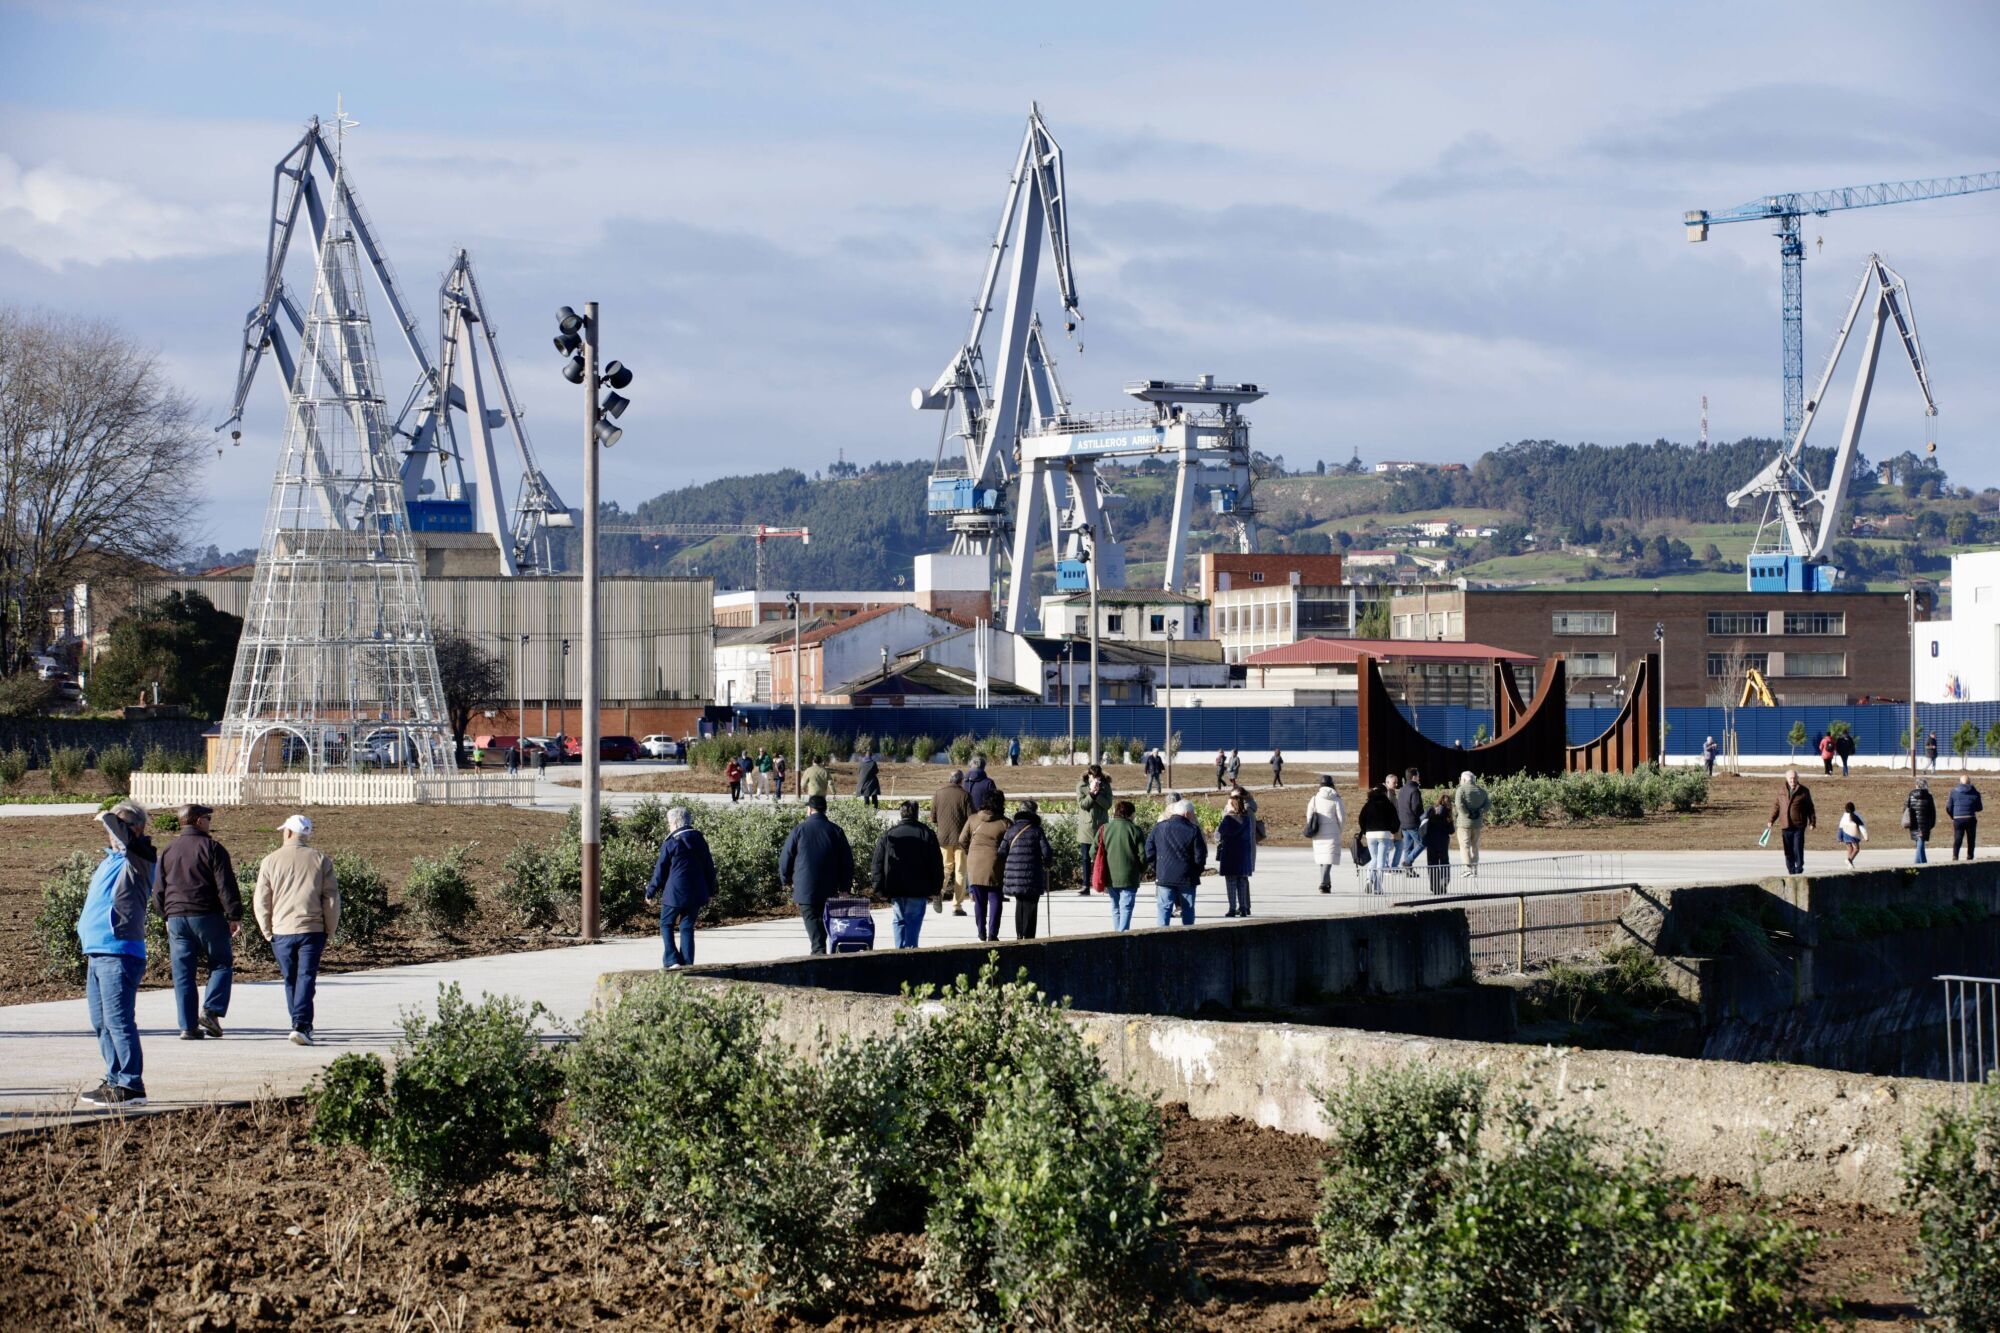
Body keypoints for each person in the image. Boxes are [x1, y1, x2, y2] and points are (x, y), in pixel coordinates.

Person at [77, 800, 158, 1108]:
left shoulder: (141, 859)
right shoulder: (110, 860)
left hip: (120, 952)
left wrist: (109, 817)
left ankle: (131, 1085)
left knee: (119, 1021)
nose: (110, 832)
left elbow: (125, 838)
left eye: (118, 826)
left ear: (135, 829)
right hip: (97, 952)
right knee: (101, 1022)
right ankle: (115, 1081)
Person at [157, 802, 241, 1041]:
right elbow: (226, 885)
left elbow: (158, 889)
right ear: (197, 821)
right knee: (222, 964)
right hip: (206, 916)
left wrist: (165, 915)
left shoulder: (168, 850)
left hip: (176, 918)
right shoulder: (212, 848)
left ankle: (187, 1026)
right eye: (208, 818)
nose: (209, 822)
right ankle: (211, 1011)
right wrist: (234, 915)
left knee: (183, 973)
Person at [255, 814, 339, 1047]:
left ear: (289, 832)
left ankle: (299, 1023)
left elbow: (262, 899)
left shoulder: (270, 860)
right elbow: (331, 898)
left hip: (281, 930)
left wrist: (266, 929)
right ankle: (301, 1024)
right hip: (312, 929)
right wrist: (330, 928)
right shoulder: (321, 860)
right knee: (306, 977)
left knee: (291, 978)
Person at [778, 794, 852, 954]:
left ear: (809, 809)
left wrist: (786, 879)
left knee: (812, 919)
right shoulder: (836, 830)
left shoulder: (799, 830)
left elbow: (786, 857)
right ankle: (819, 951)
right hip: (830, 887)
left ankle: (818, 953)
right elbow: (846, 861)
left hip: (805, 887)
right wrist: (845, 887)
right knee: (825, 920)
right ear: (825, 810)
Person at [644, 806, 715, 968]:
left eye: (669, 823)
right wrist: (711, 890)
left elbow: (660, 871)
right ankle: (687, 962)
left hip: (674, 893)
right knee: (687, 926)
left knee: (666, 923)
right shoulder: (700, 840)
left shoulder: (671, 842)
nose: (669, 826)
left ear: (675, 823)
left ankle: (672, 959)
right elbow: (709, 867)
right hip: (697, 892)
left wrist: (651, 891)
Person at [873, 801, 943, 948]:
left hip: (895, 886)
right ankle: (911, 952)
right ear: (916, 814)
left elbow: (877, 862)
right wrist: (936, 888)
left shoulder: (889, 834)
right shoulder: (927, 834)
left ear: (901, 813)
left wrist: (878, 888)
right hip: (918, 887)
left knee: (899, 919)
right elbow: (936, 863)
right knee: (913, 920)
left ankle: (900, 951)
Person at [1146, 799, 1208, 926]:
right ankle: (1188, 937)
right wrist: (1196, 871)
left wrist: (1156, 867)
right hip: (1187, 877)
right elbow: (1200, 856)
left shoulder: (1159, 827)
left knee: (1164, 909)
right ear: (1186, 814)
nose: (1193, 816)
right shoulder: (1193, 830)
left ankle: (1161, 937)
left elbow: (1149, 849)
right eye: (1192, 813)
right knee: (1188, 909)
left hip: (1164, 874)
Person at [960, 791, 1011, 942]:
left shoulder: (973, 819)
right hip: (995, 863)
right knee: (995, 899)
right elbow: (1010, 844)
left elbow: (962, 839)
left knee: (979, 901)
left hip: (974, 863)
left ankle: (981, 931)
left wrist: (970, 852)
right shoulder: (1004, 823)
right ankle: (993, 934)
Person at [1000, 799, 1054, 940]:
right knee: (1031, 905)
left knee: (1020, 904)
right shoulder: (1037, 830)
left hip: (1015, 875)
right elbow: (1047, 852)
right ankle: (1029, 936)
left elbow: (1001, 852)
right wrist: (1048, 863)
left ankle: (1019, 934)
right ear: (1034, 813)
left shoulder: (1011, 830)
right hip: (1032, 874)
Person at [1094, 799, 1146, 931]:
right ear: (1130, 814)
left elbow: (1092, 852)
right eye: (1134, 813)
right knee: (1126, 908)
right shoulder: (1135, 830)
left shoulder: (1104, 829)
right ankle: (1123, 936)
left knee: (1116, 908)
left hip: (1110, 877)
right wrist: (1142, 870)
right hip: (1130, 877)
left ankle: (1117, 936)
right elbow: (1142, 856)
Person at [933, 769, 973, 916]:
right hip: (961, 839)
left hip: (943, 837)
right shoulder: (965, 795)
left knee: (945, 868)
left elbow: (933, 817)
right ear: (961, 781)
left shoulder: (938, 793)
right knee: (960, 871)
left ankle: (939, 892)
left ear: (950, 779)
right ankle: (957, 906)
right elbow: (971, 819)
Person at [1766, 768, 1816, 876]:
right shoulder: (1781, 791)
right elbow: (1776, 807)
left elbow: (1810, 808)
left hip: (1798, 825)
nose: (1792, 780)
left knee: (1798, 847)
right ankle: (1791, 869)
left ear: (1797, 779)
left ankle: (1799, 867)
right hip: (1785, 825)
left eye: (1794, 778)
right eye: (1790, 778)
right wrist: (1771, 820)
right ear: (1786, 779)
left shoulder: (1804, 791)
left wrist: (1812, 822)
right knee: (1788, 850)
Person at [1073, 765, 1113, 896]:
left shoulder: (1105, 786)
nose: (1095, 779)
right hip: (1086, 827)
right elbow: (1083, 805)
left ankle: (1104, 884)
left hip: (1101, 826)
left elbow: (1108, 804)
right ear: (1089, 775)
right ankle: (1085, 885)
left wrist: (1098, 795)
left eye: (1097, 777)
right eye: (1093, 777)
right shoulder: (1081, 786)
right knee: (1085, 858)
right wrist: (1091, 794)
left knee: (1103, 856)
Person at [1356, 781, 1399, 894]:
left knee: (1373, 858)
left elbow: (1361, 819)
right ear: (1384, 792)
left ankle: (1369, 879)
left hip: (1370, 835)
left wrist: (1366, 831)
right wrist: (1393, 830)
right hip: (1384, 834)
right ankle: (1378, 887)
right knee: (1381, 861)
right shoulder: (1388, 804)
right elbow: (1395, 820)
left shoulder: (1368, 804)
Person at [1218, 792, 1255, 918]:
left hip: (1230, 854)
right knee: (1242, 881)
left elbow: (1218, 834)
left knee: (1231, 882)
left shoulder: (1228, 819)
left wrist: (1225, 814)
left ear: (1232, 805)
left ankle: (1232, 908)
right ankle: (1243, 908)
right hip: (1243, 854)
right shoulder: (1247, 819)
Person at [1306, 775, 1346, 893]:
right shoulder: (1336, 799)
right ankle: (1324, 883)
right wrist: (1339, 829)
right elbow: (1342, 817)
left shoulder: (1314, 799)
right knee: (1328, 859)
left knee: (1322, 858)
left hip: (1318, 832)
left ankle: (1326, 884)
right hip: (1332, 832)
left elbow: (1309, 816)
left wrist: (1313, 827)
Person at [1453, 771, 1490, 878]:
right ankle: (1475, 869)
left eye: (1461, 779)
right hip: (1477, 823)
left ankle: (1467, 870)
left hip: (1464, 823)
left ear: (1464, 780)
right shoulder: (1482, 791)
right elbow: (1488, 804)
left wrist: (1467, 813)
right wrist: (1480, 812)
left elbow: (1459, 804)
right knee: (1475, 846)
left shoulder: (1461, 790)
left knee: (1465, 846)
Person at [1394, 768, 1424, 879]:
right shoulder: (1415, 790)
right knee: (1422, 842)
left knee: (1408, 847)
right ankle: (1407, 862)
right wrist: (1422, 816)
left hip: (1403, 823)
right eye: (1418, 775)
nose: (1419, 778)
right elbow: (1416, 807)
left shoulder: (1402, 789)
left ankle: (1408, 871)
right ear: (1414, 777)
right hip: (1412, 822)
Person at [1946, 774, 1982, 861]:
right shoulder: (1975, 793)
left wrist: (1953, 817)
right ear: (1970, 782)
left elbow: (1949, 807)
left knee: (1958, 838)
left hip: (1958, 818)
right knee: (1971, 839)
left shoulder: (1953, 792)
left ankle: (1955, 856)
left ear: (1960, 782)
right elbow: (1980, 808)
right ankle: (1970, 856)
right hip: (1970, 817)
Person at [1905, 778, 1937, 864]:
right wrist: (1931, 824)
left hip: (1913, 823)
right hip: (1925, 824)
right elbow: (1932, 812)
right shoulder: (1929, 797)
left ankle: (1923, 862)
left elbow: (1906, 809)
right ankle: (1918, 863)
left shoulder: (1911, 795)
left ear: (1917, 785)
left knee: (1919, 842)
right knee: (1920, 842)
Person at [1836, 801, 1867, 867]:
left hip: (1845, 835)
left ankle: (1850, 864)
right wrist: (1866, 836)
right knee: (1856, 849)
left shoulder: (1844, 816)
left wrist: (1839, 837)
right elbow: (1862, 827)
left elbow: (1840, 827)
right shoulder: (1856, 816)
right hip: (1853, 836)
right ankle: (1849, 860)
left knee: (1850, 849)